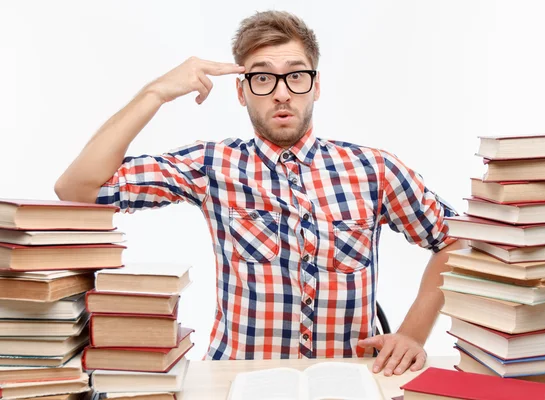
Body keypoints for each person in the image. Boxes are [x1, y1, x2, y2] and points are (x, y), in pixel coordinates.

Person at [55, 10, 464, 376]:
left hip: (350, 378)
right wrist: (155, 92)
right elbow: (76, 189)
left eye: (296, 75)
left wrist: (413, 334)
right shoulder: (211, 166)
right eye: (263, 77)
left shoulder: (373, 169)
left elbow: (455, 238)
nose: (281, 92)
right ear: (242, 90)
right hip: (237, 379)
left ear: (316, 86)